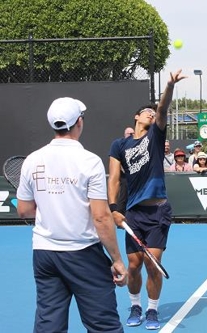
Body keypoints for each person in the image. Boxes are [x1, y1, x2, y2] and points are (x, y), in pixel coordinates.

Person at [17, 97, 127, 333]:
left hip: (44, 254)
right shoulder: (90, 161)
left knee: (49, 325)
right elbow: (101, 217)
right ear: (79, 122)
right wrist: (117, 260)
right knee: (103, 326)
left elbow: (24, 210)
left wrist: (51, 208)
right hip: (83, 254)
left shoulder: (32, 160)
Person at [108, 69, 186, 329]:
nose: (152, 114)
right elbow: (115, 178)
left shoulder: (155, 136)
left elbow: (163, 109)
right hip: (133, 214)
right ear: (136, 117)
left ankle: (152, 310)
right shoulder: (120, 145)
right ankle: (135, 305)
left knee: (153, 264)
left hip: (158, 212)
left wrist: (170, 86)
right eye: (147, 112)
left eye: (154, 113)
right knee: (133, 265)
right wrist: (113, 209)